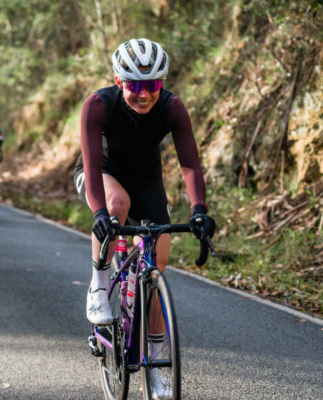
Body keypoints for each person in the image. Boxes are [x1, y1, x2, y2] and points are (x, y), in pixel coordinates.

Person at [74, 38, 216, 399]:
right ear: (119, 81)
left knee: (158, 257)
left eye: (152, 85)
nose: (144, 95)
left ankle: (156, 359)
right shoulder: (98, 106)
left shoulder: (172, 108)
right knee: (118, 203)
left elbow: (190, 165)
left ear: (161, 84)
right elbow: (91, 169)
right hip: (101, 175)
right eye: (135, 85)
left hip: (147, 180)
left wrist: (199, 209)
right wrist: (100, 213)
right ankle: (99, 283)